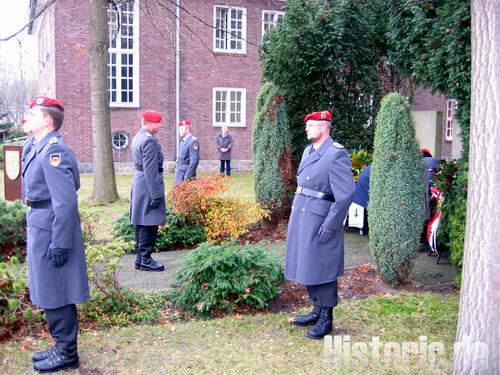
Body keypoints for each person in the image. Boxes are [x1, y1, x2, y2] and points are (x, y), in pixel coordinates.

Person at [22, 96, 89, 372]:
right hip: (41, 222)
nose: (26, 117)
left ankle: (67, 353)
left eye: (32, 114)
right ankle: (61, 345)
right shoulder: (36, 146)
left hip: (52, 227)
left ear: (47, 120)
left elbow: (65, 200)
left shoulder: (53, 150)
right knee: (50, 289)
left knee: (57, 291)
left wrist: (60, 243)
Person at [285, 110, 355, 339]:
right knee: (308, 265)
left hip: (321, 217)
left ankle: (327, 317)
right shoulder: (308, 150)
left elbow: (344, 195)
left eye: (311, 125)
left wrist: (331, 225)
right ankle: (316, 310)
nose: (307, 128)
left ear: (324, 127)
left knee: (323, 268)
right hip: (304, 215)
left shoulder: (336, 154)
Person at [130, 110, 166, 272]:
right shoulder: (149, 141)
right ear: (150, 123)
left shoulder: (139, 137)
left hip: (140, 181)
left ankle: (140, 258)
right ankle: (145, 259)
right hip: (148, 184)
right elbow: (151, 169)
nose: (159, 125)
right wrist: (156, 194)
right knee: (149, 222)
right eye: (158, 122)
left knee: (141, 221)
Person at [174, 119, 200, 185]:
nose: (179, 131)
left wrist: (187, 176)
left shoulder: (193, 141)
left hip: (186, 174)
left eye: (181, 129)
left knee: (185, 194)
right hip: (179, 172)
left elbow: (194, 161)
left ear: (187, 129)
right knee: (177, 194)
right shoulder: (183, 141)